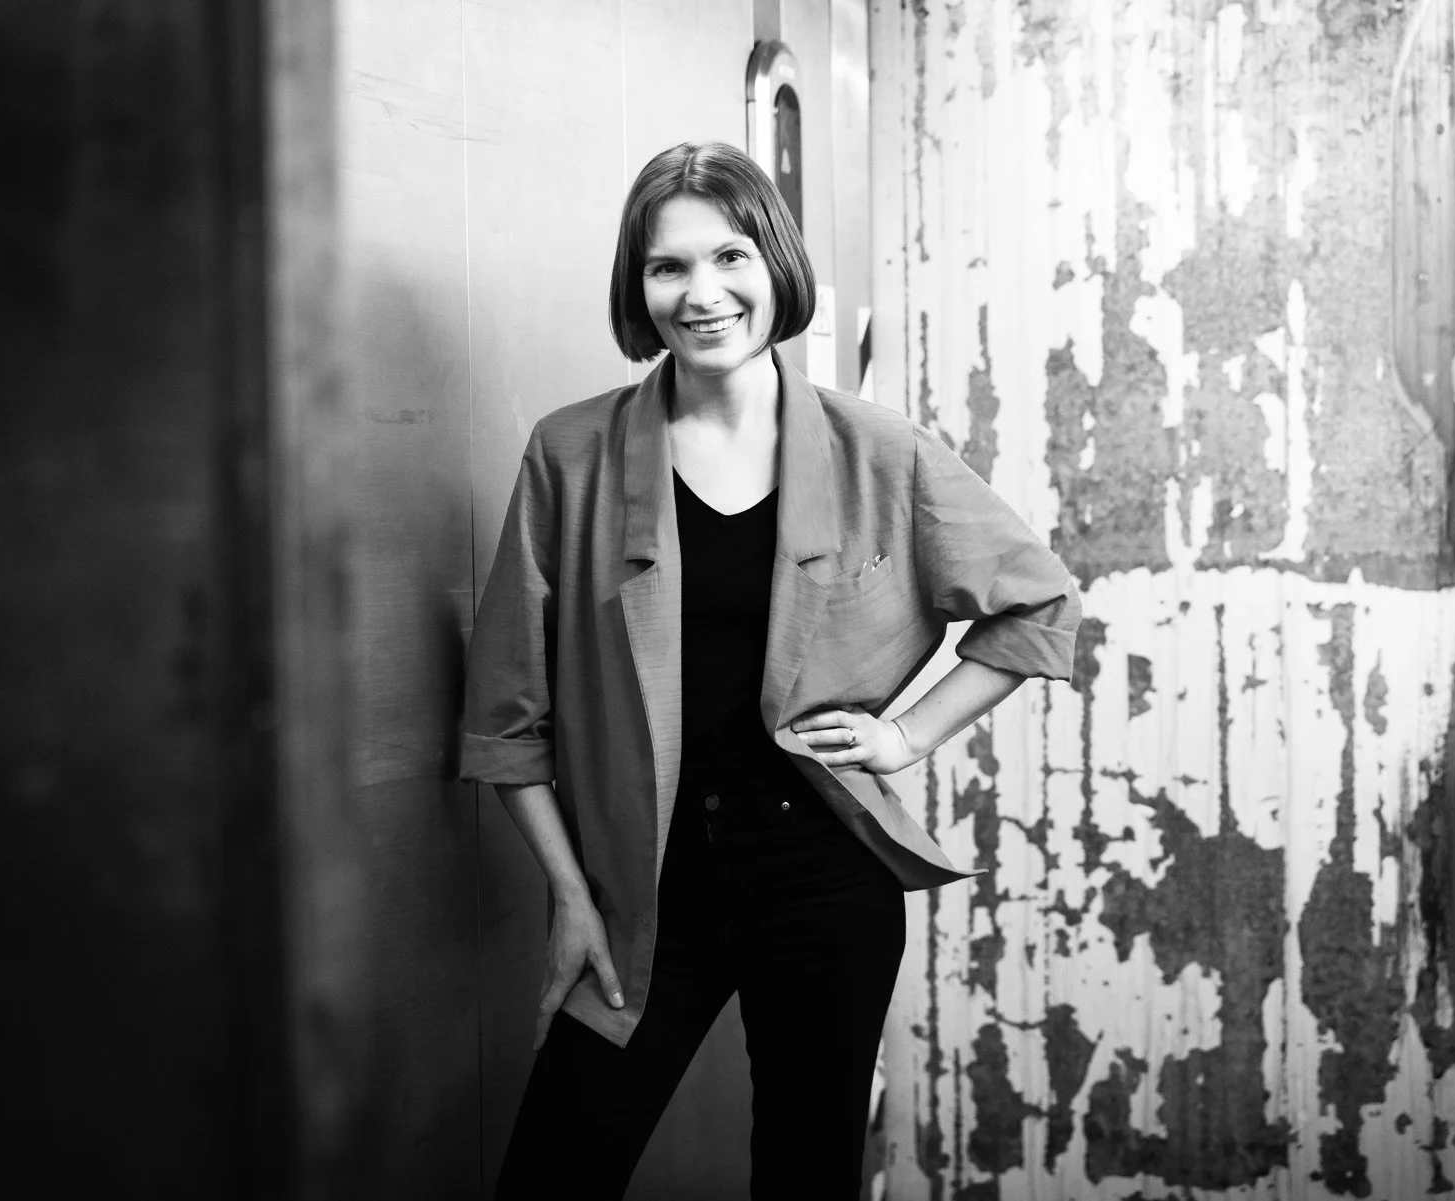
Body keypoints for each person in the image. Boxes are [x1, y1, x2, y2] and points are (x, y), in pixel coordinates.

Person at [459, 141, 1081, 1200]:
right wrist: (569, 892)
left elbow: (1037, 603)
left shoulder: (879, 448)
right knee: (554, 1173)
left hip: (824, 877)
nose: (703, 294)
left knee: (805, 1174)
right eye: (668, 267)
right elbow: (508, 714)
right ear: (638, 285)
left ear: (775, 266)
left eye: (730, 256)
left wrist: (908, 735)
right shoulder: (569, 455)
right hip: (639, 891)